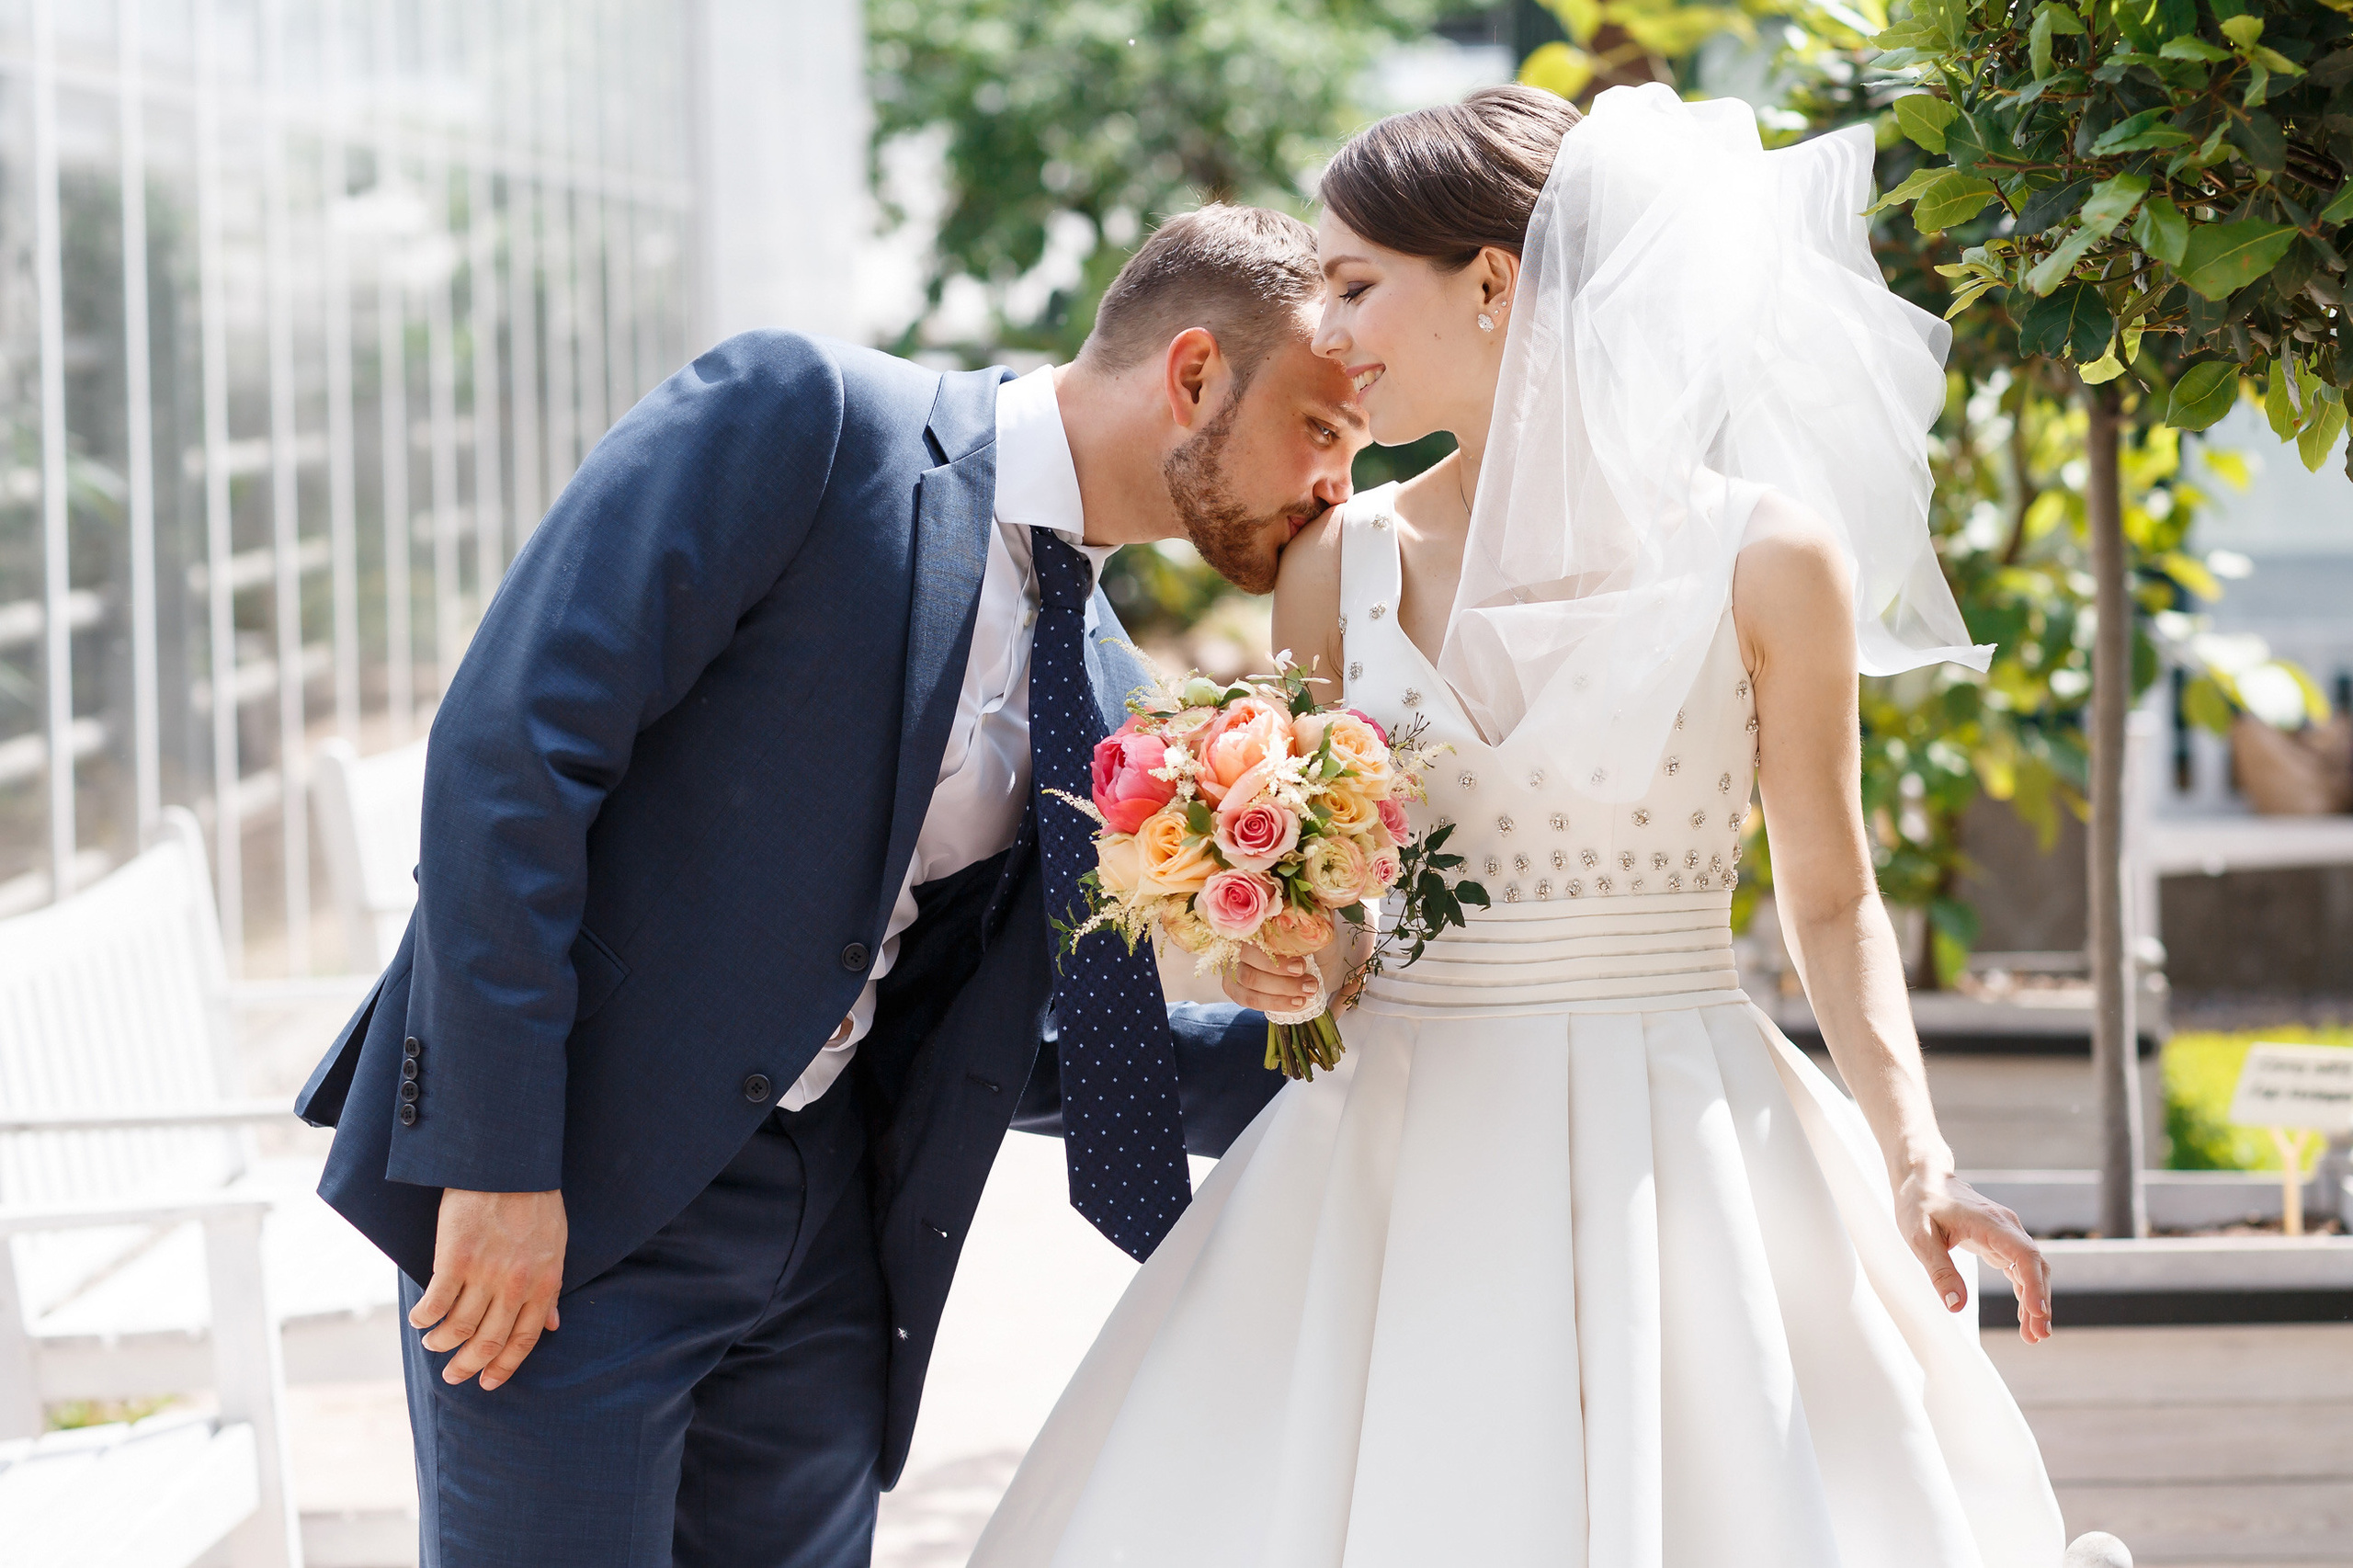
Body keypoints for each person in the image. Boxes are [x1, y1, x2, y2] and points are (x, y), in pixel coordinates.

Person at [972, 85, 2066, 1567]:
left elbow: (1832, 893)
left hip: (1686, 1142)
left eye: (1357, 285)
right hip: (1395, 1151)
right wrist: (1299, 954)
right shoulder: (1332, 565)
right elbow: (1342, 902)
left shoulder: (1765, 555)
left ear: (1493, 282)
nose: (1334, 334)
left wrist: (1920, 1160)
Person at [293, 203, 1370, 1567]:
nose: (1336, 485)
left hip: (830, 1251)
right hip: (576, 1197)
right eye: (1324, 434)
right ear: (1197, 374)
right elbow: (513, 753)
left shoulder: (1100, 682)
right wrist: (496, 1160)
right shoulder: (805, 419)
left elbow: (1017, 1035)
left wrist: (1346, 1052)